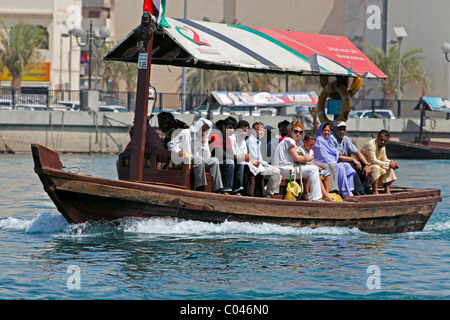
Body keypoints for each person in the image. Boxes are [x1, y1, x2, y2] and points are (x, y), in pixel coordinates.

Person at [167, 118, 223, 192]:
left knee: (214, 161)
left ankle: (217, 188)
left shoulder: (204, 137)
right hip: (185, 160)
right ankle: (201, 187)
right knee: (199, 159)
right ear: (198, 127)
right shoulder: (186, 133)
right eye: (202, 129)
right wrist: (179, 151)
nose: (204, 132)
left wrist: (203, 144)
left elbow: (206, 156)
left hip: (200, 161)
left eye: (205, 130)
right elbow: (171, 144)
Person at [273, 121, 324, 201]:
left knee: (312, 169)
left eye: (300, 132)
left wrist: (305, 157)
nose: (298, 134)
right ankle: (315, 197)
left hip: (285, 169)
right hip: (286, 169)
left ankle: (312, 195)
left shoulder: (286, 141)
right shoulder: (289, 141)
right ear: (290, 130)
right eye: (296, 131)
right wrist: (308, 158)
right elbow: (297, 158)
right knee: (313, 170)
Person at [313, 122, 356, 198]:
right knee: (340, 167)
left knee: (347, 166)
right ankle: (345, 192)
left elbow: (332, 152)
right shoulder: (319, 140)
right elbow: (323, 156)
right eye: (325, 130)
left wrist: (336, 154)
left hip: (331, 162)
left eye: (328, 131)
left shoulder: (327, 140)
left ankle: (350, 190)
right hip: (323, 163)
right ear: (321, 131)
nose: (327, 132)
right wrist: (336, 155)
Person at [330, 121, 371, 195]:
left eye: (343, 129)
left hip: (344, 160)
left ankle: (366, 187)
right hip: (335, 162)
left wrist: (367, 164)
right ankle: (357, 190)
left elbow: (357, 152)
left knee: (361, 163)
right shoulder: (331, 138)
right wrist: (353, 159)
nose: (342, 131)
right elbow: (338, 157)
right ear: (334, 129)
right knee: (351, 164)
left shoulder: (345, 139)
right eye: (339, 129)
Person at [245, 122, 282, 198]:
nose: (262, 132)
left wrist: (269, 165)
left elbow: (260, 159)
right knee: (276, 171)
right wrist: (269, 165)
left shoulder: (258, 141)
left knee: (279, 175)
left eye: (263, 131)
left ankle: (266, 191)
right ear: (253, 131)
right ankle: (268, 194)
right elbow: (255, 159)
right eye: (259, 130)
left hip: (259, 165)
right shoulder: (252, 141)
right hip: (254, 167)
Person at [359, 130, 399, 194]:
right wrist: (389, 164)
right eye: (381, 140)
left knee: (388, 167)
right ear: (377, 137)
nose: (383, 142)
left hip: (372, 167)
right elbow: (373, 160)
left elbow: (385, 159)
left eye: (385, 141)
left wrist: (392, 163)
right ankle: (375, 191)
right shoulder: (371, 144)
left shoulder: (383, 147)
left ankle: (387, 191)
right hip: (364, 168)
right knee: (376, 167)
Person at [300, 132, 335, 201]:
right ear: (305, 142)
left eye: (313, 145)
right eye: (310, 145)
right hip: (305, 169)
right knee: (315, 175)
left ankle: (326, 194)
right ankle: (309, 194)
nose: (312, 146)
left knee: (327, 175)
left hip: (312, 168)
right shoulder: (301, 150)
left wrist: (317, 167)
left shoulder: (311, 151)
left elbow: (312, 163)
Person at [230, 119, 250, 195]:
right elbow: (232, 154)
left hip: (239, 159)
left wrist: (248, 158)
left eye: (245, 131)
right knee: (240, 164)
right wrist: (243, 157)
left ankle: (247, 192)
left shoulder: (243, 141)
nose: (243, 133)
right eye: (242, 130)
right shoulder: (232, 138)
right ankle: (237, 189)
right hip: (231, 159)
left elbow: (244, 154)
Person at [220, 117, 238, 194]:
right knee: (230, 162)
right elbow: (220, 154)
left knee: (241, 163)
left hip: (222, 161)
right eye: (230, 127)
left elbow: (230, 152)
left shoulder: (228, 139)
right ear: (224, 127)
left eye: (233, 128)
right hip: (213, 161)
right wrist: (235, 157)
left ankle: (237, 189)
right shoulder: (217, 135)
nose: (232, 130)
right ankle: (226, 189)